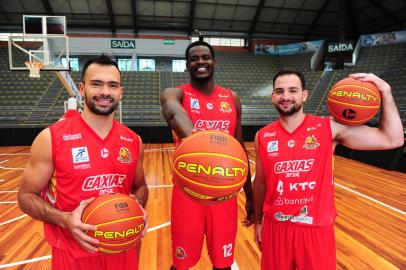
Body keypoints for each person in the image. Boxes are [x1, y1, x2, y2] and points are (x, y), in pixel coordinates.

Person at [253, 69, 404, 270]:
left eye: (293, 90)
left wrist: (385, 90)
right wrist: (258, 221)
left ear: (304, 95)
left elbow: (392, 138)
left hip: (316, 229)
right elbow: (261, 182)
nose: (286, 97)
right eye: (279, 91)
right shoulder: (262, 135)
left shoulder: (329, 128)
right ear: (273, 96)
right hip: (276, 227)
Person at [18, 55, 149, 270]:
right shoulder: (51, 138)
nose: (105, 92)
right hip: (73, 254)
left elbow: (140, 186)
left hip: (121, 248)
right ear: (81, 88)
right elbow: (25, 196)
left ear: (120, 92)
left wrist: (138, 208)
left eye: (112, 85)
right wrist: (65, 219)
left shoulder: (134, 141)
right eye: (96, 84)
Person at [160, 40, 254, 270]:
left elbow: (239, 147)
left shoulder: (232, 98)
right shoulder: (176, 93)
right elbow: (172, 112)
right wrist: (201, 142)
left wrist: (250, 197)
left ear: (214, 62)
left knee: (223, 264)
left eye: (205, 57)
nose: (200, 62)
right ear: (187, 65)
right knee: (181, 264)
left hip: (224, 195)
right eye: (194, 59)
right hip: (188, 192)